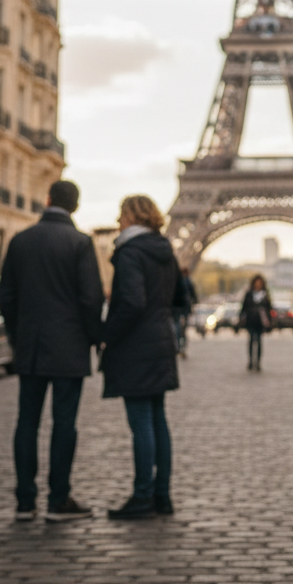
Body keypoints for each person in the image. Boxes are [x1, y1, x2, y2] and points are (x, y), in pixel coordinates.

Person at [0, 180, 105, 521]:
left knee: (26, 422)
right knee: (64, 424)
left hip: (30, 346)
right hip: (69, 347)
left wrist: (19, 336)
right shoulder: (80, 243)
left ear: (47, 200)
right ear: (75, 206)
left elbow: (6, 297)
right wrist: (92, 338)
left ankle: (25, 501)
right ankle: (59, 499)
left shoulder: (20, 241)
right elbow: (92, 299)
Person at [100, 195, 179, 519]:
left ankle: (142, 496)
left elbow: (131, 302)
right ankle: (162, 496)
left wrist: (107, 334)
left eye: (121, 215)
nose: (119, 221)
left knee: (142, 424)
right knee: (158, 421)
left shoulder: (130, 251)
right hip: (160, 341)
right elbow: (179, 297)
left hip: (136, 347)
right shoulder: (165, 250)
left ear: (132, 217)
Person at [240, 274, 272, 372]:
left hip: (260, 322)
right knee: (251, 341)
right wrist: (241, 317)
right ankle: (250, 361)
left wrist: (270, 320)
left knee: (258, 341)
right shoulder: (249, 294)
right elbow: (244, 307)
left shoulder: (265, 294)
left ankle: (257, 362)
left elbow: (269, 308)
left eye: (260, 283)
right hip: (250, 320)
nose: (258, 285)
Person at [173, 267, 197, 359]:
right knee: (183, 328)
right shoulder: (188, 282)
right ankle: (183, 345)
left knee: (177, 327)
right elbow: (193, 295)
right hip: (184, 308)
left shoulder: (175, 281)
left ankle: (179, 345)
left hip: (176, 309)